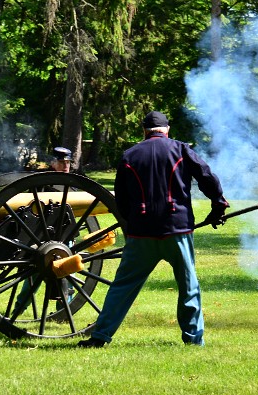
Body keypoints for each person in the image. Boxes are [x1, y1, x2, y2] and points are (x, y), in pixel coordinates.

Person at [78, 111, 229, 348]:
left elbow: (122, 200)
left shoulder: (130, 155)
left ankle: (100, 336)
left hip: (141, 234)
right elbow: (206, 176)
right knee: (188, 286)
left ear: (144, 131)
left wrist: (133, 221)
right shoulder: (180, 149)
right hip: (177, 230)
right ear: (166, 130)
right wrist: (218, 203)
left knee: (122, 287)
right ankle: (193, 339)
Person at [12, 146, 72, 316]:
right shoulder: (41, 184)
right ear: (53, 163)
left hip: (64, 236)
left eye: (68, 162)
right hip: (41, 238)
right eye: (62, 162)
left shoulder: (73, 184)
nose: (66, 166)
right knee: (32, 279)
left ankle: (63, 311)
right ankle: (19, 309)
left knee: (68, 275)